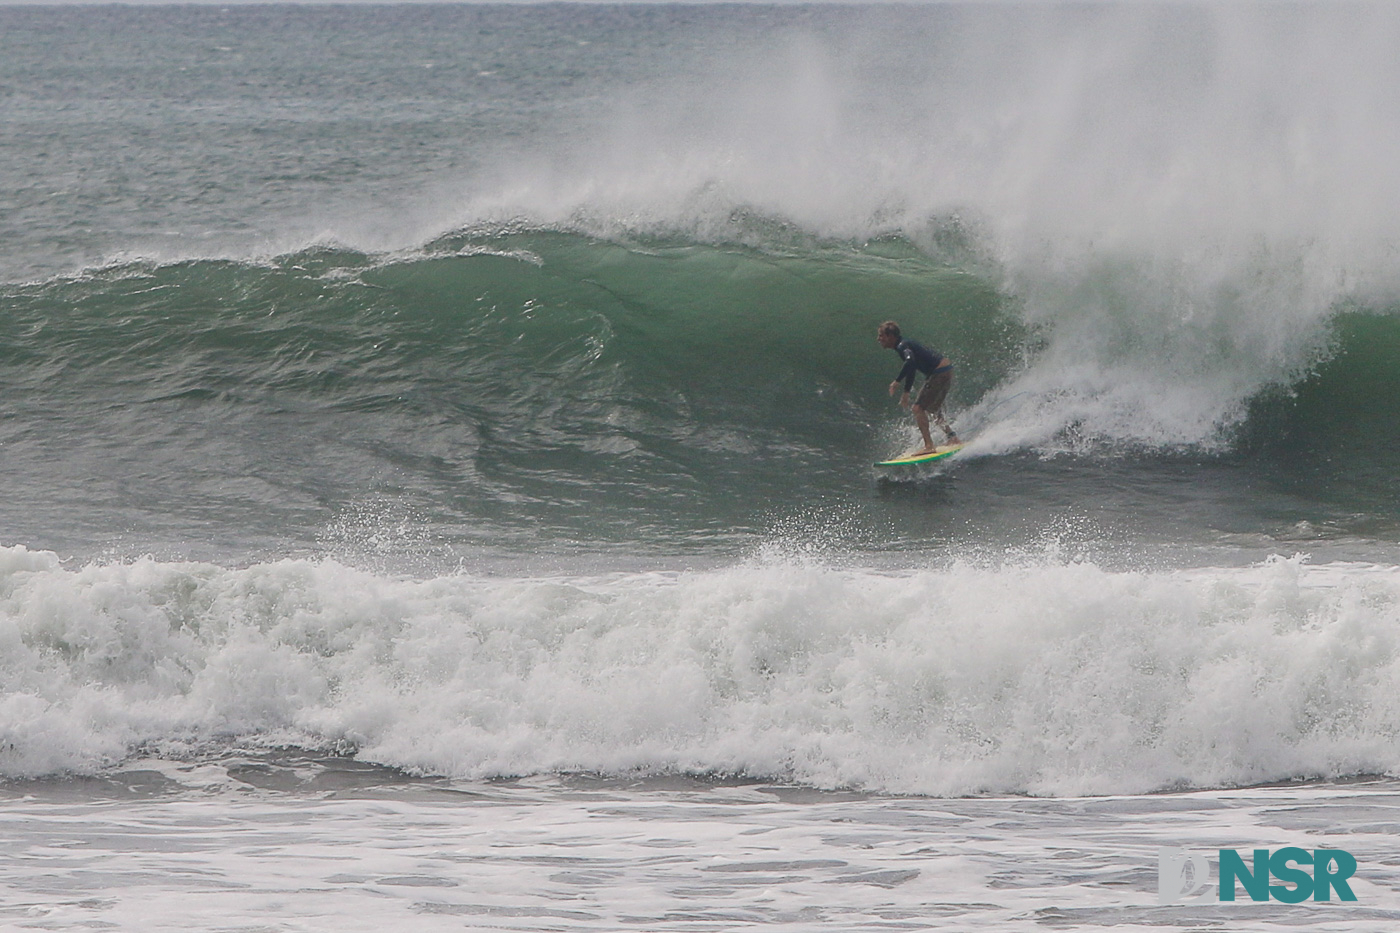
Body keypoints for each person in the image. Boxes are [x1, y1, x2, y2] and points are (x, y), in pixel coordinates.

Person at [877, 320, 960, 455]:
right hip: (945, 370)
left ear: (891, 336)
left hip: (938, 373)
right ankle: (953, 438)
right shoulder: (904, 344)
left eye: (881, 335)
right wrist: (906, 392)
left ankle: (929, 446)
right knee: (932, 409)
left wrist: (897, 381)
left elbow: (910, 362)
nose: (878, 339)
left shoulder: (902, 346)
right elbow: (912, 367)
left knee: (918, 408)